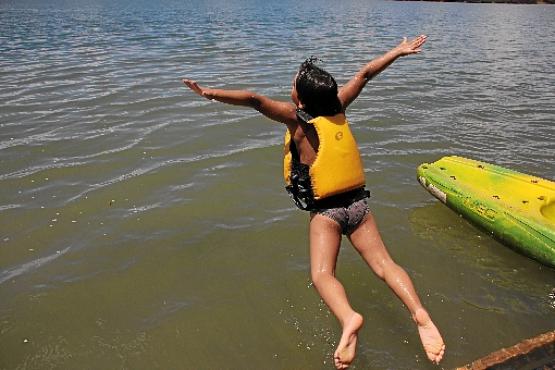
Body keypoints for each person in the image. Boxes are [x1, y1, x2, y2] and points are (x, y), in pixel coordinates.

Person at [183, 34, 445, 369]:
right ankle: (420, 314)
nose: (290, 86)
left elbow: (253, 99)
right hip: (359, 206)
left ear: (301, 100)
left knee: (322, 275)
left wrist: (209, 93)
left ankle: (349, 318)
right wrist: (398, 51)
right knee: (385, 265)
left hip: (328, 212)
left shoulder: (296, 119)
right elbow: (365, 73)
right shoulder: (339, 105)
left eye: (293, 84)